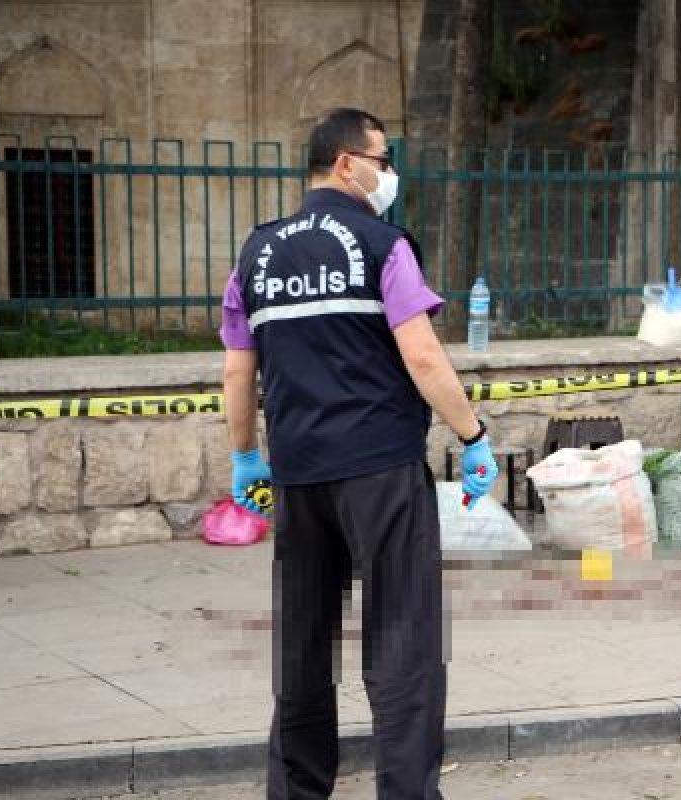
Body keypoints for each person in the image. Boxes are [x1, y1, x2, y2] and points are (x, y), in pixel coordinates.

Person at [220, 107, 498, 800]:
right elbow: (423, 357)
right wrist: (472, 436)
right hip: (381, 470)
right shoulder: (383, 245)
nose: (390, 173)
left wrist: (245, 457)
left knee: (303, 644)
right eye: (383, 159)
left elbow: (237, 370)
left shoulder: (256, 253)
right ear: (347, 163)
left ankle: (296, 790)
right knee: (403, 640)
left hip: (299, 474)